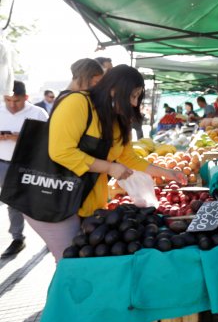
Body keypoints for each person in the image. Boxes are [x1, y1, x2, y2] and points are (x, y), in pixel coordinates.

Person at [23, 65, 187, 263]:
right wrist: (109, 167)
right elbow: (60, 151)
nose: (135, 104)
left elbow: (128, 157)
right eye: (132, 96)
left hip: (88, 202)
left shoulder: (118, 119)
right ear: (114, 89)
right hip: (53, 198)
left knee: (88, 262)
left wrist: (167, 173)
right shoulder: (77, 103)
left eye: (138, 98)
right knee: (72, 263)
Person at [0, 81, 49, 258]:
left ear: (26, 98)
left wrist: (21, 138)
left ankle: (50, 237)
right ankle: (17, 238)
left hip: (30, 165)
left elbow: (49, 140)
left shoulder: (38, 113)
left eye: (17, 101)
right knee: (12, 202)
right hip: (3, 164)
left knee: (38, 201)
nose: (12, 105)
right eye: (8, 100)